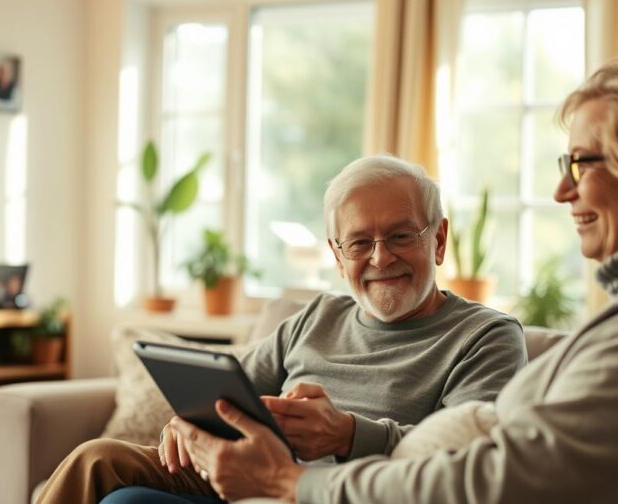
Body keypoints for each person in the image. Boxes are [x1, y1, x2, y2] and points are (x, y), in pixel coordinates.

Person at [169, 61, 618, 503]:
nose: (562, 190)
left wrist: (292, 484)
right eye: (359, 242)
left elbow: (500, 485)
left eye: (582, 163)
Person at [36, 155, 528, 504]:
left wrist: (348, 435)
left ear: (438, 239)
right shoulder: (317, 317)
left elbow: (471, 461)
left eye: (401, 236)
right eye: (359, 243)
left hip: (333, 494)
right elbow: (228, 389)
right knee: (97, 460)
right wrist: (188, 423)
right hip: (240, 481)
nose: (381, 258)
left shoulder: (486, 336)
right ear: (337, 257)